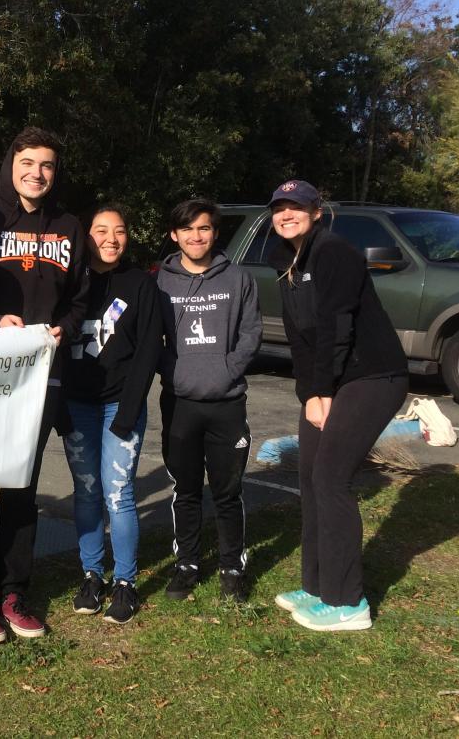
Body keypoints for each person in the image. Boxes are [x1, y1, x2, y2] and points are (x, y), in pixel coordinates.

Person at [0, 126, 88, 643]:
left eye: (47, 165)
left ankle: (12, 592)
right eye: (27, 161)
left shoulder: (70, 225)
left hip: (40, 378)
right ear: (11, 163)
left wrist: (65, 329)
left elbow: (80, 298)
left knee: (20, 488)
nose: (37, 173)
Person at [266, 180, 408, 631]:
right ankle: (316, 586)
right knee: (310, 475)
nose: (287, 214)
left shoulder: (334, 252)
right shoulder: (284, 257)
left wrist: (323, 390)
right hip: (332, 381)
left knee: (331, 477)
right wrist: (308, 392)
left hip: (373, 375)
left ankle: (348, 604)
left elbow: (335, 328)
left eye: (297, 207)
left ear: (317, 211)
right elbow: (298, 336)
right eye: (280, 208)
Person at [156, 198, 261, 602]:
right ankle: (187, 564)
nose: (195, 236)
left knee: (227, 490)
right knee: (185, 489)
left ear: (214, 233)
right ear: (174, 235)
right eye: (187, 229)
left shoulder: (238, 279)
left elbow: (251, 333)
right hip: (180, 402)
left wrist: (228, 369)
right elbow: (153, 337)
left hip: (227, 402)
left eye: (203, 228)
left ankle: (232, 565)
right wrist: (175, 370)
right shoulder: (161, 281)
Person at [63, 205, 162, 624]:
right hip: (76, 405)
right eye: (101, 230)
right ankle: (92, 574)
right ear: (86, 236)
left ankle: (125, 581)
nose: (111, 238)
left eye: (119, 231)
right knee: (86, 492)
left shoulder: (140, 284)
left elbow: (148, 352)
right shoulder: (70, 282)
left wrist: (129, 410)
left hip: (120, 405)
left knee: (118, 494)